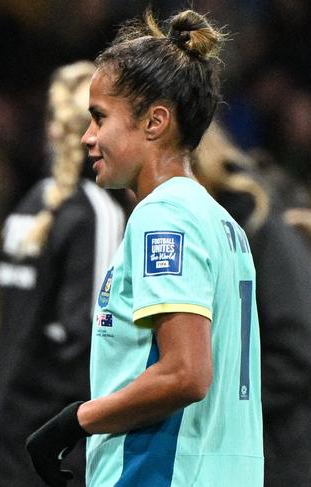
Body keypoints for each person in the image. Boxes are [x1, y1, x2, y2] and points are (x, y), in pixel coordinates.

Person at [26, 9, 263, 487]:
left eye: (99, 118)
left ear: (155, 121)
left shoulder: (164, 216)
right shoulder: (219, 220)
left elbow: (186, 373)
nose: (88, 137)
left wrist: (77, 421)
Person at [0, 60, 125, 487]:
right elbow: (94, 332)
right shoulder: (95, 210)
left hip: (10, 420)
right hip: (61, 438)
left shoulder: (30, 203)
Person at [193, 123, 311, 486]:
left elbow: (296, 350)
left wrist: (217, 408)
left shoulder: (259, 226)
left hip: (275, 455)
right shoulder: (191, 234)